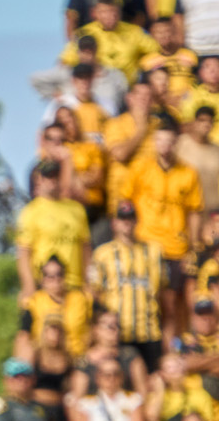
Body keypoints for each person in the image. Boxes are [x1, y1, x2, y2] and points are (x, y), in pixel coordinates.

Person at [112, 124, 203, 335]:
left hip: (175, 248)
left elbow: (195, 212)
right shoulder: (140, 168)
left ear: (176, 143)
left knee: (173, 307)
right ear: (154, 142)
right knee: (148, 304)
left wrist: (193, 246)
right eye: (160, 140)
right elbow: (125, 204)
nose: (164, 146)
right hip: (145, 246)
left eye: (169, 141)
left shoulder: (188, 172)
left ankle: (173, 355)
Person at [90, 200, 166, 370]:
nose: (127, 222)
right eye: (122, 218)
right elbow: (95, 294)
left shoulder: (154, 251)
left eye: (130, 218)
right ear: (114, 223)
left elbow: (164, 297)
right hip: (118, 333)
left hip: (149, 332)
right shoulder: (102, 254)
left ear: (137, 221)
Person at [17, 160, 92, 300]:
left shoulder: (77, 209)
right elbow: (24, 253)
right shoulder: (31, 211)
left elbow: (85, 248)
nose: (52, 180)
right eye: (48, 176)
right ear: (40, 179)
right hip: (46, 285)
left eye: (56, 175)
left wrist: (88, 282)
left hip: (74, 285)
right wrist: (29, 286)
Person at [19, 256, 93, 359]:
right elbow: (23, 336)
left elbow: (93, 329)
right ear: (42, 279)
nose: (56, 279)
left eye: (59, 274)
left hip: (77, 359)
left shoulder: (81, 299)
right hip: (44, 361)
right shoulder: (34, 302)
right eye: (50, 276)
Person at [178, 102, 219, 204]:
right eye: (202, 121)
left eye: (210, 121)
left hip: (212, 209)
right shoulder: (180, 144)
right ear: (194, 123)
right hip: (186, 206)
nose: (206, 124)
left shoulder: (216, 150)